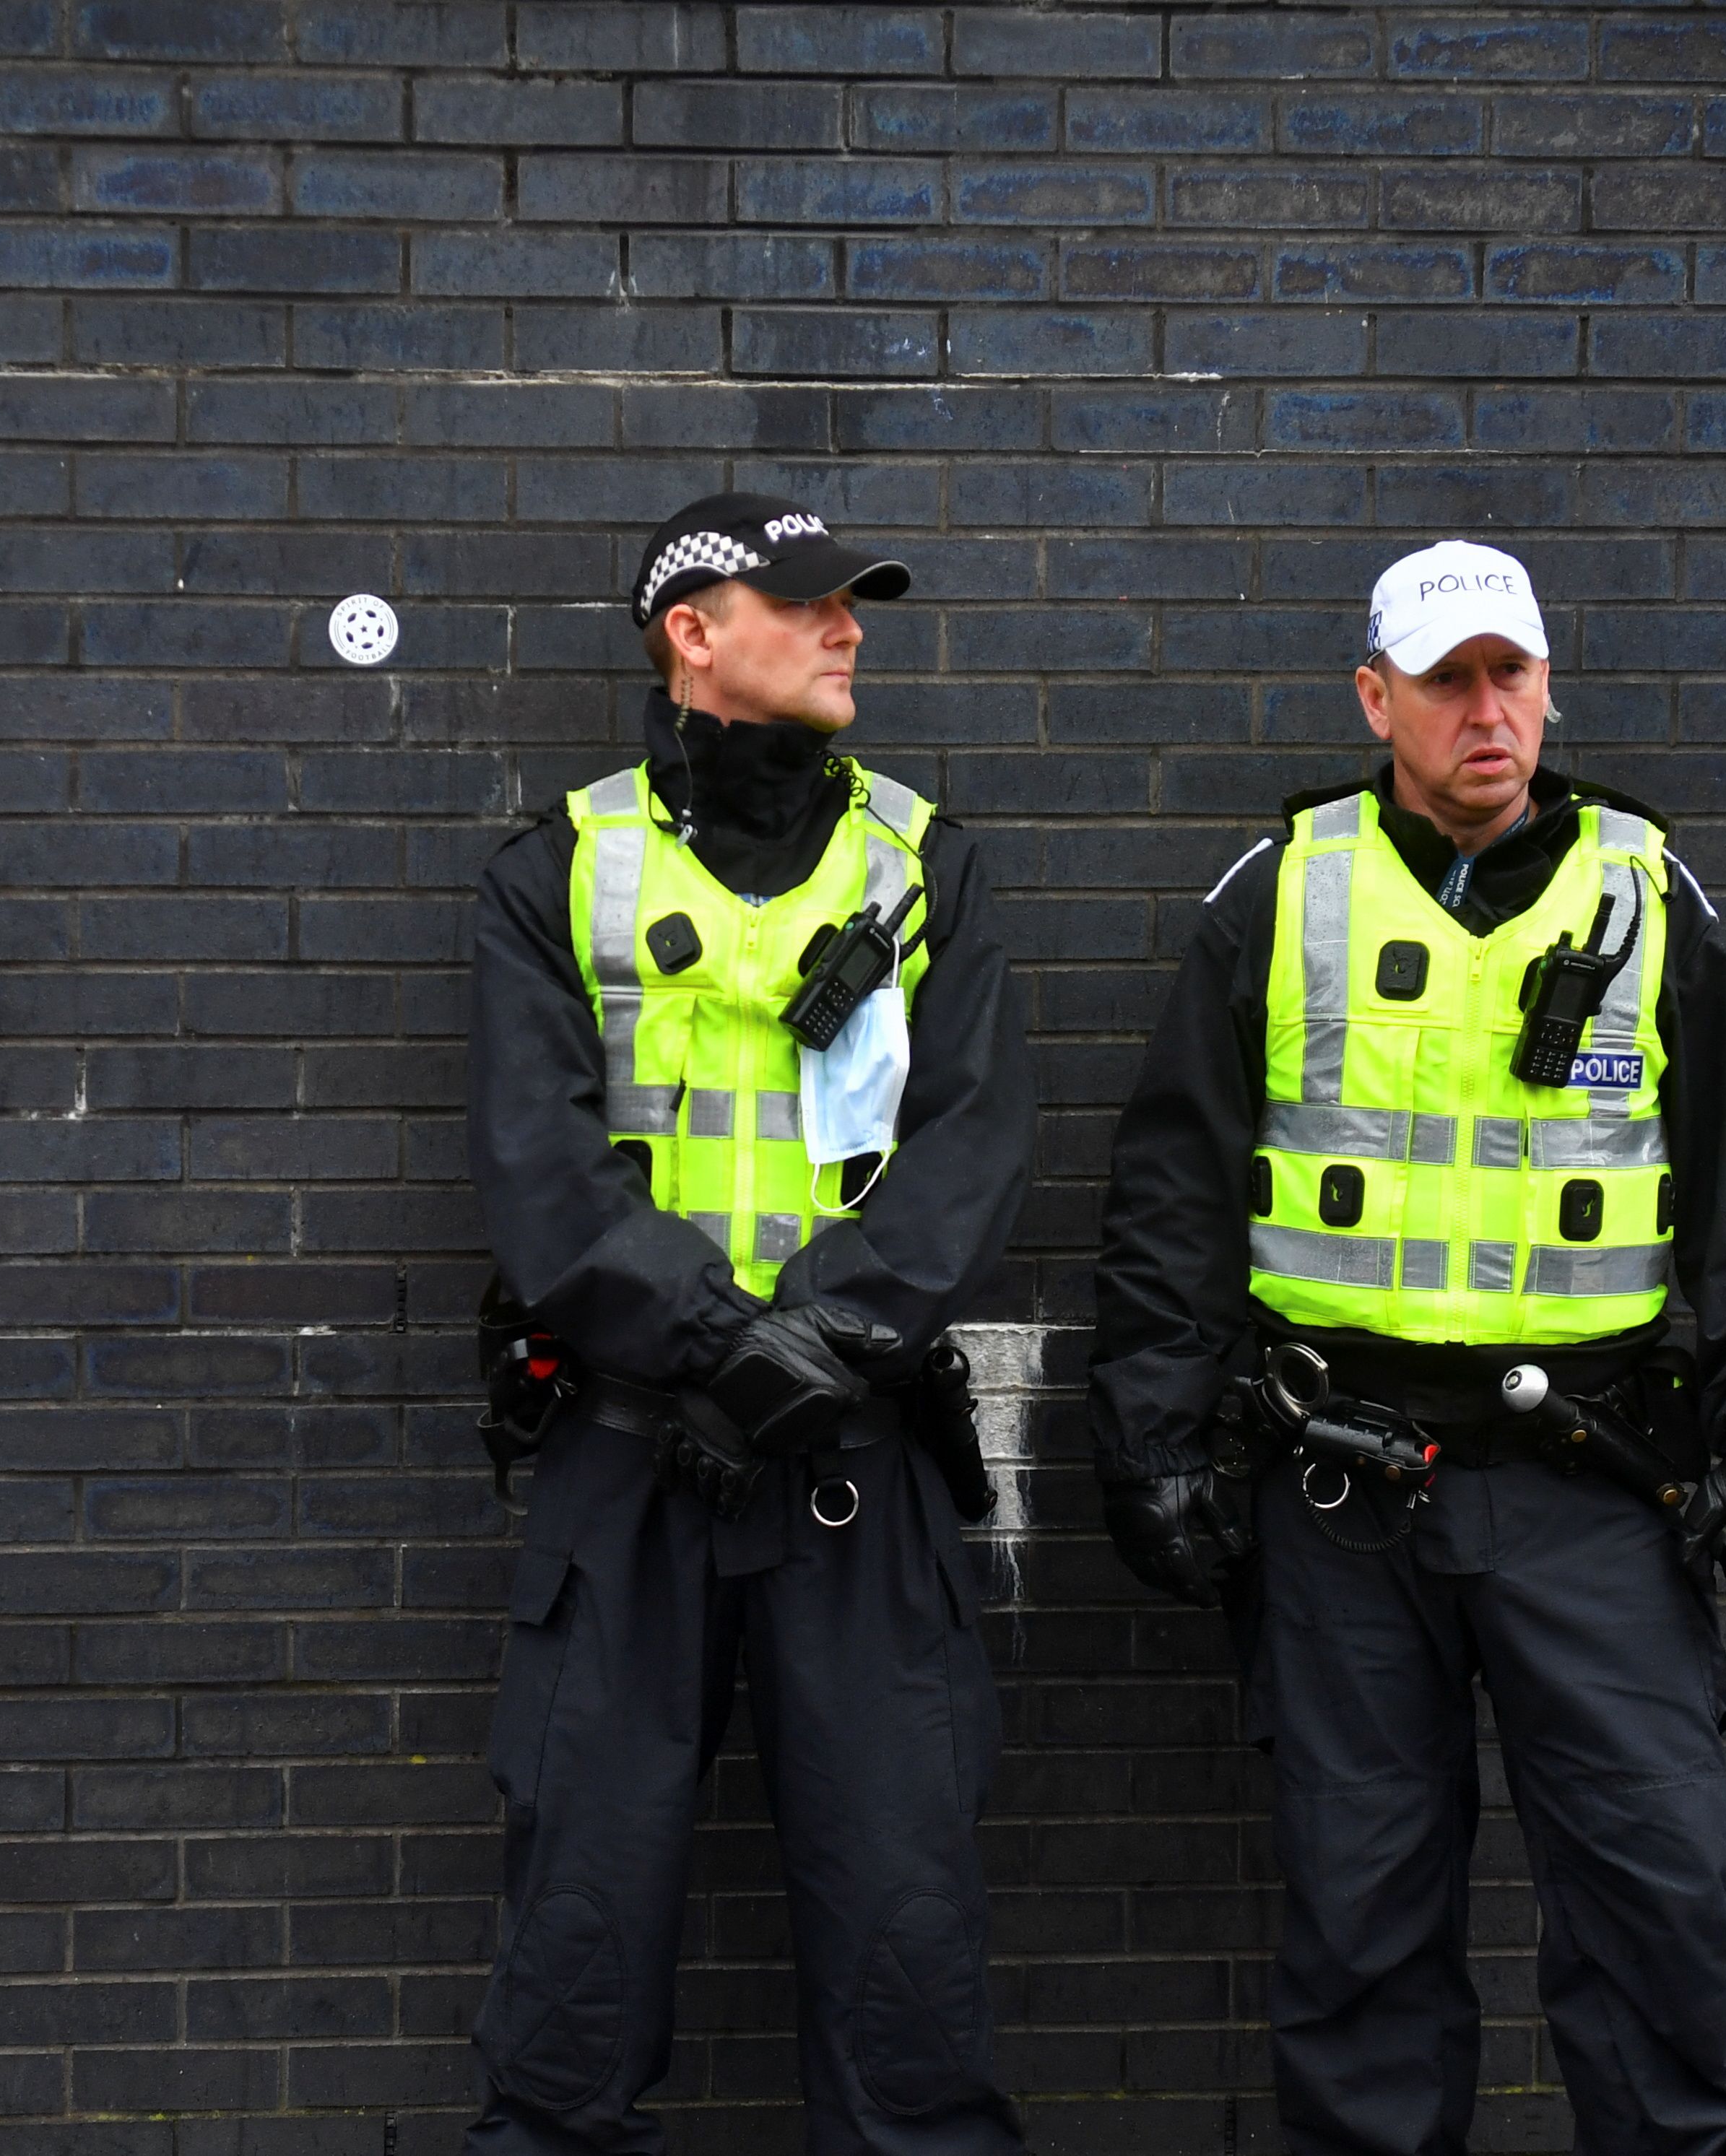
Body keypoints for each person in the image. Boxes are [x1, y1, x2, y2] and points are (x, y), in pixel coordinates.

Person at [1083, 540, 1726, 2156]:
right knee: (1360, 1933)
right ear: (1377, 699)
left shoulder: (1645, 895)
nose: (1485, 709)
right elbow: (1172, 1203)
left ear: (1549, 682)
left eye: (1511, 672)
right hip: (1340, 1491)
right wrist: (1151, 1439)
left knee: (1657, 1910)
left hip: (1596, 1483)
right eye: (1446, 679)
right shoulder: (1280, 891)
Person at [460, 494, 1036, 2156]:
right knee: (573, 1966)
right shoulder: (554, 872)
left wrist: (812, 1345)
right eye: (803, 601)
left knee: (906, 1960)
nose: (846, 624)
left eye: (853, 601)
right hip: (628, 1474)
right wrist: (716, 1344)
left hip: (856, 1477)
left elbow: (974, 1145)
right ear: (688, 632)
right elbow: (539, 1169)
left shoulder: (920, 862)